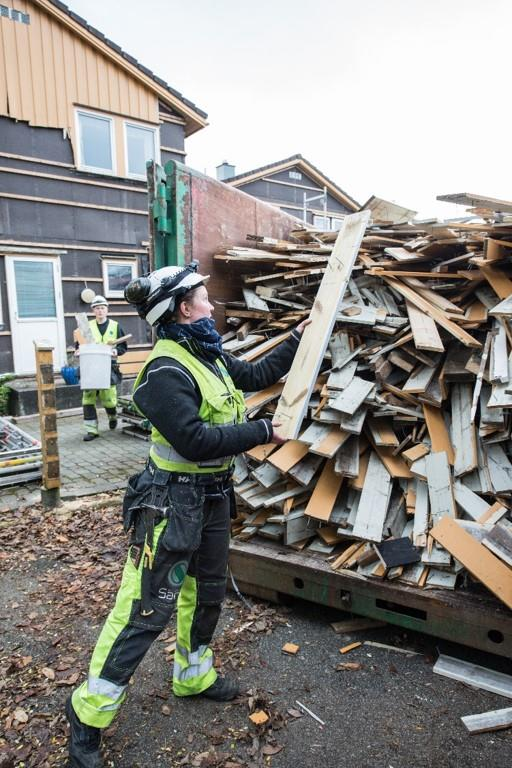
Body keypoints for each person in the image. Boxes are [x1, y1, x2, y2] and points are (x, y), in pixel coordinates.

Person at [66, 262, 309, 768]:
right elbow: (196, 440)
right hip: (170, 502)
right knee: (145, 606)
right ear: (183, 308)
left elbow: (256, 373)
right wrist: (264, 432)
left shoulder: (208, 354)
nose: (212, 304)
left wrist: (297, 339)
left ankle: (193, 674)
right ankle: (88, 714)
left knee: (205, 591)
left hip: (213, 498)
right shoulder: (162, 372)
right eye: (203, 296)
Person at [76, 295, 128, 442]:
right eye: (97, 308)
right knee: (88, 399)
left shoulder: (115, 326)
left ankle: (112, 416)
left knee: (109, 400)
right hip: (90, 367)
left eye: (102, 308)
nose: (100, 311)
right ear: (93, 310)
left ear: (107, 309)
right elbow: (79, 344)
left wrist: (116, 351)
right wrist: (78, 351)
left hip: (108, 367)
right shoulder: (86, 326)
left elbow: (123, 347)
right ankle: (91, 430)